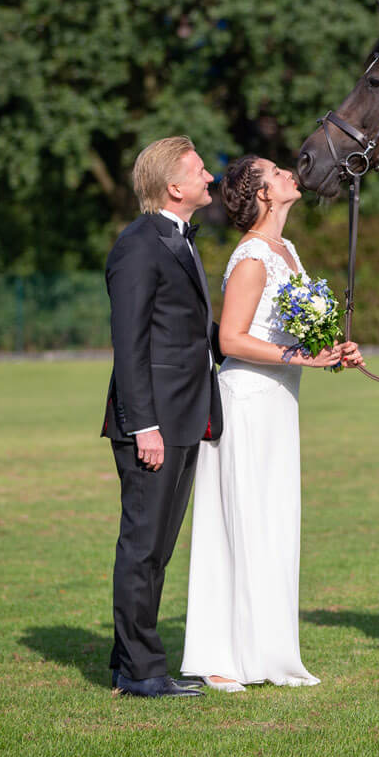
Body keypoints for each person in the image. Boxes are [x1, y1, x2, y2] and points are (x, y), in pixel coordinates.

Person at [180, 155, 363, 692]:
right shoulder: (253, 256)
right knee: (239, 522)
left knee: (274, 523)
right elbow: (231, 339)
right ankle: (219, 658)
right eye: (277, 172)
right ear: (262, 194)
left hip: (279, 403)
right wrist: (301, 359)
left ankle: (268, 654)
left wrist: (329, 349)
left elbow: (282, 334)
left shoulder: (288, 251)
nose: (289, 174)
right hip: (246, 403)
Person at [102, 136, 222, 698]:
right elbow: (128, 345)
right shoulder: (139, 243)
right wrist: (141, 424)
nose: (211, 178)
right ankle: (142, 671)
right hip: (153, 422)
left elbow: (193, 333)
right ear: (174, 187)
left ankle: (130, 658)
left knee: (158, 546)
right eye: (200, 171)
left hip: (184, 415)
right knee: (144, 544)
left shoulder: (179, 240)